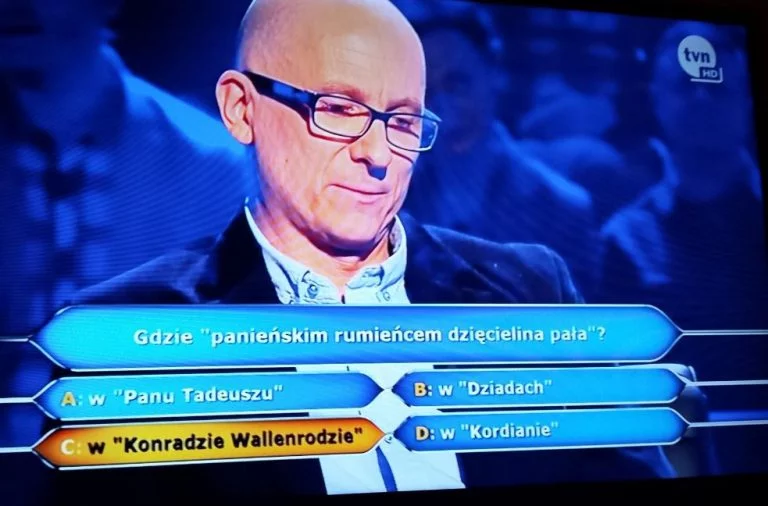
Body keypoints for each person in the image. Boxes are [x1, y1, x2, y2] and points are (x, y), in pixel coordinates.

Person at [43, 0, 673, 501]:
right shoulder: (121, 337)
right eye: (339, 109)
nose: (377, 155)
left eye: (402, 121)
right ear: (241, 108)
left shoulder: (531, 289)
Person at [401, 7, 601, 297]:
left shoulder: (561, 207)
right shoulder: (388, 197)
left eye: (456, 83)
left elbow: (580, 322)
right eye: (427, 91)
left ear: (494, 74)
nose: (441, 105)